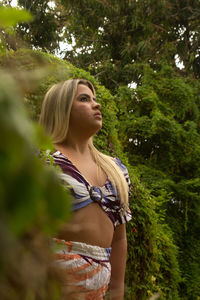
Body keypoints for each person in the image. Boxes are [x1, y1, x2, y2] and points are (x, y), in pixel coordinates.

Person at [39, 79, 132, 300]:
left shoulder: (115, 169)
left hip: (97, 290)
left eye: (95, 99)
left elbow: (119, 238)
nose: (96, 105)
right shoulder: (42, 159)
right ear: (61, 109)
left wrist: (117, 292)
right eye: (84, 99)